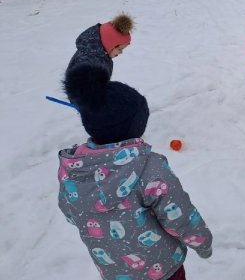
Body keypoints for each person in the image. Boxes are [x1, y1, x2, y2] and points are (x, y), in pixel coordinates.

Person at [58, 63, 212, 280]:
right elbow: (180, 216)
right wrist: (203, 243)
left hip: (114, 271)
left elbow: (70, 212)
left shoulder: (74, 167)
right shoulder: (150, 167)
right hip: (163, 268)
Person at [67, 13, 134, 77]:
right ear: (109, 44)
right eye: (120, 49)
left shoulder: (98, 53)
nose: (121, 52)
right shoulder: (89, 63)